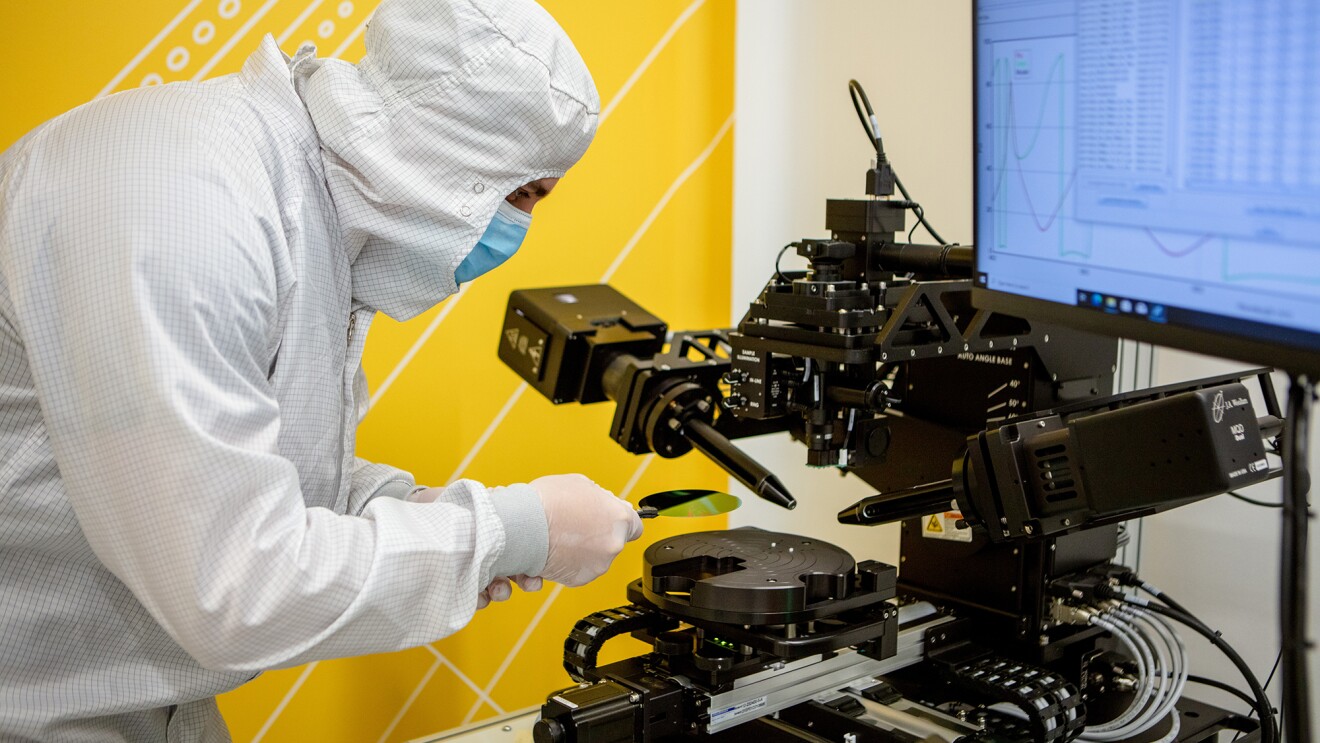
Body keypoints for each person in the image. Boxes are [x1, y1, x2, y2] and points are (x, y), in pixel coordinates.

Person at [0, 0, 642, 739]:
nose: (518, 226)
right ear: (445, 154)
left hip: (156, 704)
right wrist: (512, 532)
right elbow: (233, 589)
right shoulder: (184, 209)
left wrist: (425, 506)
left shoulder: (302, 201)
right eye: (522, 194)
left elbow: (252, 469)